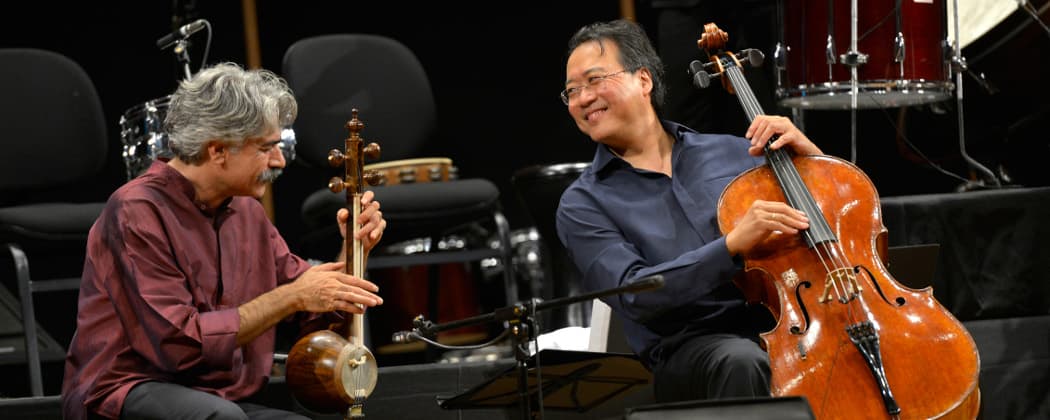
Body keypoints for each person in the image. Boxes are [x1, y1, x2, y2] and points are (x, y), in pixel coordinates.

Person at [61, 62, 387, 420]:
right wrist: (292, 296)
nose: (279, 161)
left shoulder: (248, 212)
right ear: (217, 151)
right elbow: (178, 345)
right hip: (128, 390)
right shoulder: (136, 211)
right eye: (266, 148)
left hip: (220, 398)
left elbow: (315, 313)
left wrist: (354, 248)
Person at [555, 20, 823, 403]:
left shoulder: (736, 152)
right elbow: (636, 294)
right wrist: (730, 246)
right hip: (690, 351)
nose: (582, 98)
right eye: (572, 91)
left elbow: (836, 218)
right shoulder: (583, 204)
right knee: (742, 360)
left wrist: (810, 157)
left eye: (594, 80)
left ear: (643, 80)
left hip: (785, 319)